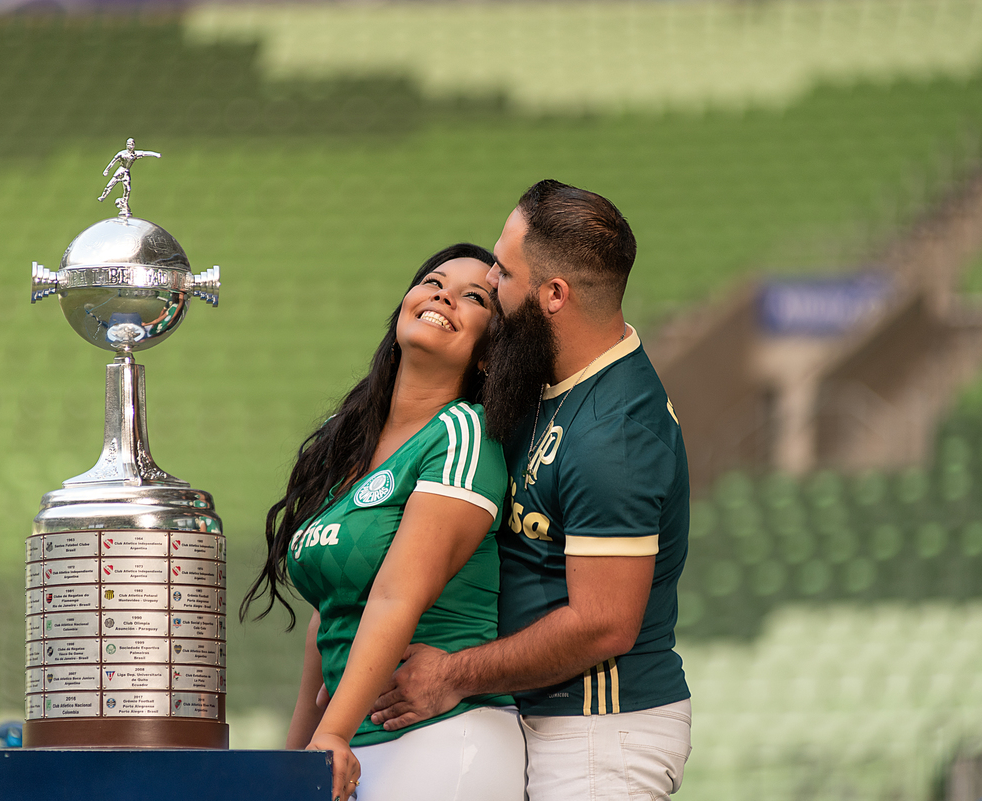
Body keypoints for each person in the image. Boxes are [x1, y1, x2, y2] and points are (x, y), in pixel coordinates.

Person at [369, 181, 693, 800]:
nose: (492, 280)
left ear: (553, 295)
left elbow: (603, 625)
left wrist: (452, 676)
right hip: (536, 720)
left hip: (600, 735)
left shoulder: (614, 436)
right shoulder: (549, 382)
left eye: (504, 269)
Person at [240, 244, 527, 801]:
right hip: (348, 745)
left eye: (475, 297)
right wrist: (298, 756)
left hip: (443, 740)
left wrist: (332, 734)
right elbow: (328, 618)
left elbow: (397, 597)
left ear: (491, 353)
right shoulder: (346, 440)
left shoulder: (463, 434)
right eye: (433, 281)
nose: (443, 294)